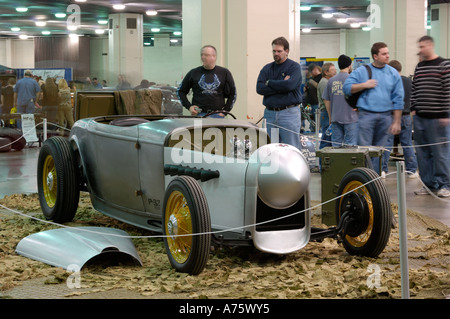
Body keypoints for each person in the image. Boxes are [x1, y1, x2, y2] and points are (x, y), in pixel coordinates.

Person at [343, 42, 404, 174]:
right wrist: (364, 85)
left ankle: (377, 178)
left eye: (388, 53)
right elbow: (347, 88)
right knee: (365, 151)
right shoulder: (362, 71)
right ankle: (367, 178)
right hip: (366, 116)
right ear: (375, 56)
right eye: (384, 54)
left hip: (386, 117)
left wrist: (397, 121)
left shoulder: (393, 73)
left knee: (381, 151)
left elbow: (398, 98)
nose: (388, 56)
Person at [411, 36, 450, 198]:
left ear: (431, 46)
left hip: (438, 119)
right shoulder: (420, 66)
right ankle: (428, 185)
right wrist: (413, 109)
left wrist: (446, 114)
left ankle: (445, 184)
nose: (420, 50)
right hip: (420, 118)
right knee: (422, 154)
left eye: (423, 46)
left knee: (440, 154)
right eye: (419, 46)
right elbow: (414, 89)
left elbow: (448, 90)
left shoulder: (444, 65)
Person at [256, 36, 303, 149]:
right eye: (274, 51)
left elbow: (290, 85)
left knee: (292, 148)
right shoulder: (267, 68)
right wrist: (282, 84)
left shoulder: (294, 67)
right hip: (270, 114)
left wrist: (269, 82)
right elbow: (260, 88)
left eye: (279, 51)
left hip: (289, 114)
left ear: (286, 51)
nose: (276, 53)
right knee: (272, 149)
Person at [381, 60, 418, 179]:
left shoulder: (388, 82)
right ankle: (412, 170)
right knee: (407, 144)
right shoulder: (409, 81)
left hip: (391, 116)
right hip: (406, 115)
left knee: (387, 144)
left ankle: (383, 170)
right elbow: (415, 98)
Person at [177, 45, 237, 118]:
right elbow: (180, 91)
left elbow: (233, 94)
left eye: (206, 55)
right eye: (202, 55)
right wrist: (189, 107)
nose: (203, 57)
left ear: (214, 57)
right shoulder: (193, 73)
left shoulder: (224, 73)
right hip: (198, 115)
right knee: (197, 130)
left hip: (218, 115)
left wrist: (224, 112)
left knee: (217, 130)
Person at [323, 55, 359, 147]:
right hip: (351, 119)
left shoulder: (331, 81)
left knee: (336, 147)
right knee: (350, 148)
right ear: (349, 65)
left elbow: (326, 100)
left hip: (336, 118)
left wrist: (331, 116)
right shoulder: (353, 79)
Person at [317, 63, 336, 149]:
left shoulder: (328, 81)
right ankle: (322, 161)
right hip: (326, 113)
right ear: (326, 72)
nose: (335, 71)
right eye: (332, 70)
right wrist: (330, 117)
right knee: (326, 139)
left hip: (328, 113)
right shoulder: (325, 83)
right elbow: (326, 100)